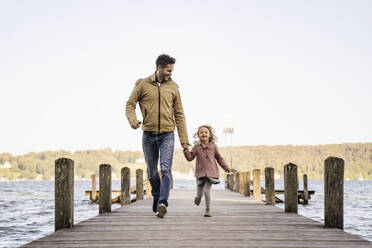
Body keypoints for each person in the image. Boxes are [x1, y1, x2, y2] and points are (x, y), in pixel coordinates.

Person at [126, 54, 189, 218]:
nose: (170, 73)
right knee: (152, 172)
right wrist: (134, 122)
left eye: (172, 70)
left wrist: (185, 142)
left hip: (167, 134)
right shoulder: (142, 84)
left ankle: (163, 203)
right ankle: (156, 195)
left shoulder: (173, 87)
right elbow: (130, 104)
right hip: (148, 134)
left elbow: (180, 115)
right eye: (168, 70)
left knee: (166, 169)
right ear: (159, 68)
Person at [183, 125, 232, 217]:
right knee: (199, 193)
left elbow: (219, 158)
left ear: (210, 135)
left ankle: (207, 210)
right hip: (200, 173)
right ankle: (198, 198)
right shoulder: (196, 147)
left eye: (206, 132)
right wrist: (186, 150)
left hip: (211, 174)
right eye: (201, 132)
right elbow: (190, 158)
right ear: (198, 135)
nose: (203, 134)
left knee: (206, 191)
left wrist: (227, 168)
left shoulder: (213, 146)